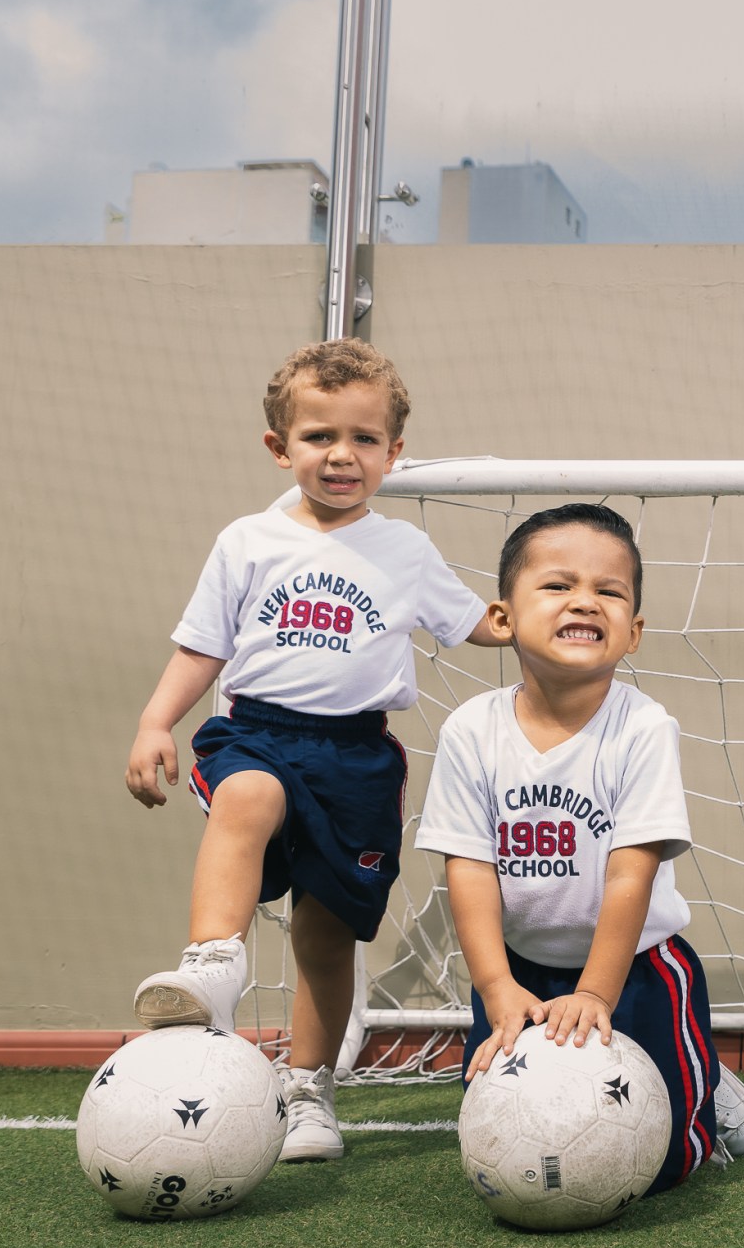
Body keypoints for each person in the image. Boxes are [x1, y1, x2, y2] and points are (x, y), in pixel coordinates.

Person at [124, 338, 500, 1164]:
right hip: (254, 730)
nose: (342, 454)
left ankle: (309, 1091)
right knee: (248, 796)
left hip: (357, 757)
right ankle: (213, 966)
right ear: (280, 447)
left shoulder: (404, 551)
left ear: (393, 452)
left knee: (325, 942)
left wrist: (557, 605)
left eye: (364, 438)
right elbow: (200, 648)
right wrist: (157, 721)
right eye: (320, 435)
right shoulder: (248, 541)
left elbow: (477, 624)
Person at [415, 503, 744, 1190]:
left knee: (662, 1167)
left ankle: (708, 1090)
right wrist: (494, 985)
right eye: (558, 584)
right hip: (518, 968)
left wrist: (597, 992)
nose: (585, 600)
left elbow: (631, 875)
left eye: (609, 591)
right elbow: (470, 871)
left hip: (634, 968)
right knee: (505, 1141)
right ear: (504, 618)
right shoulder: (470, 730)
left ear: (633, 632)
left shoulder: (641, 728)